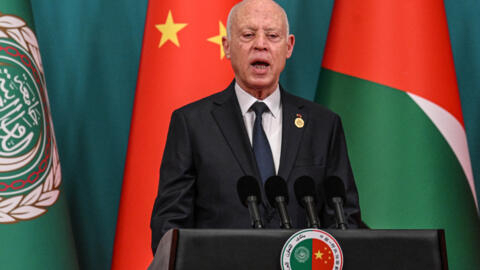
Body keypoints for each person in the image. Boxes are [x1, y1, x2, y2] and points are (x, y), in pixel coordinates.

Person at [150, 0, 362, 254]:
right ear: (227, 46)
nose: (260, 44)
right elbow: (169, 227)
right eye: (248, 35)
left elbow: (344, 218)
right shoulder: (192, 123)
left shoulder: (323, 125)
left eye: (272, 36)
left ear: (289, 46)